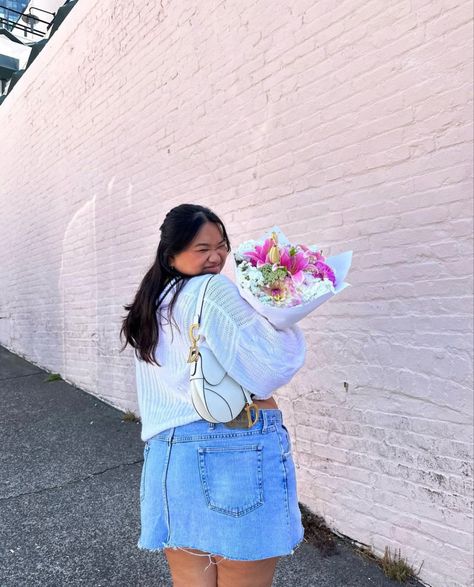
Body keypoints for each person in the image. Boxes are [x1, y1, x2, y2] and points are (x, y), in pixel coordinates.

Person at [120, 204, 307, 587]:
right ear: (171, 254)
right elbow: (271, 368)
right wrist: (284, 316)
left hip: (170, 457)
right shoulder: (212, 289)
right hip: (234, 452)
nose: (216, 256)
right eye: (202, 248)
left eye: (221, 245)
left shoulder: (153, 303)